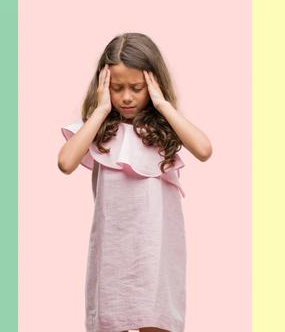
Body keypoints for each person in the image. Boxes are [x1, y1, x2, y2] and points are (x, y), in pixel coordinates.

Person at [58, 32, 212, 332]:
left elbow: (204, 149)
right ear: (104, 86)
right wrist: (101, 109)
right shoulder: (98, 130)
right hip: (113, 252)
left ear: (152, 84)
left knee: (155, 318)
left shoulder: (165, 130)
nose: (126, 97)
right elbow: (65, 162)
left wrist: (163, 104)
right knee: (112, 319)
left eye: (136, 88)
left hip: (156, 251)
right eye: (117, 88)